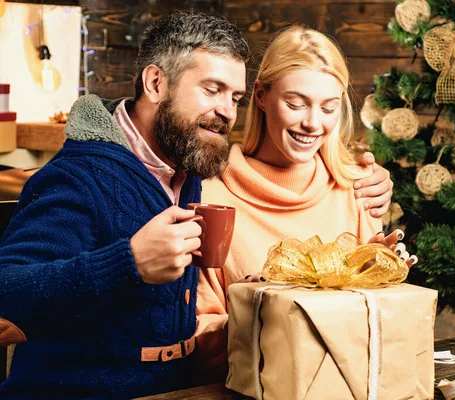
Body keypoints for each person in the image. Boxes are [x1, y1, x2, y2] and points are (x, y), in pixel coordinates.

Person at [0, 12, 392, 398]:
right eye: (212, 89)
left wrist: (254, 302)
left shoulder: (187, 169)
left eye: (234, 97)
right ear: (156, 83)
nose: (227, 111)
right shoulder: (79, 176)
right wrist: (129, 263)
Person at [193, 25, 418, 379]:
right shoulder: (209, 196)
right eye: (295, 104)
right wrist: (256, 309)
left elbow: (375, 333)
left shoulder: (357, 188)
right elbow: (198, 339)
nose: (313, 123)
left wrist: (376, 279)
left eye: (328, 108)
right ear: (261, 95)